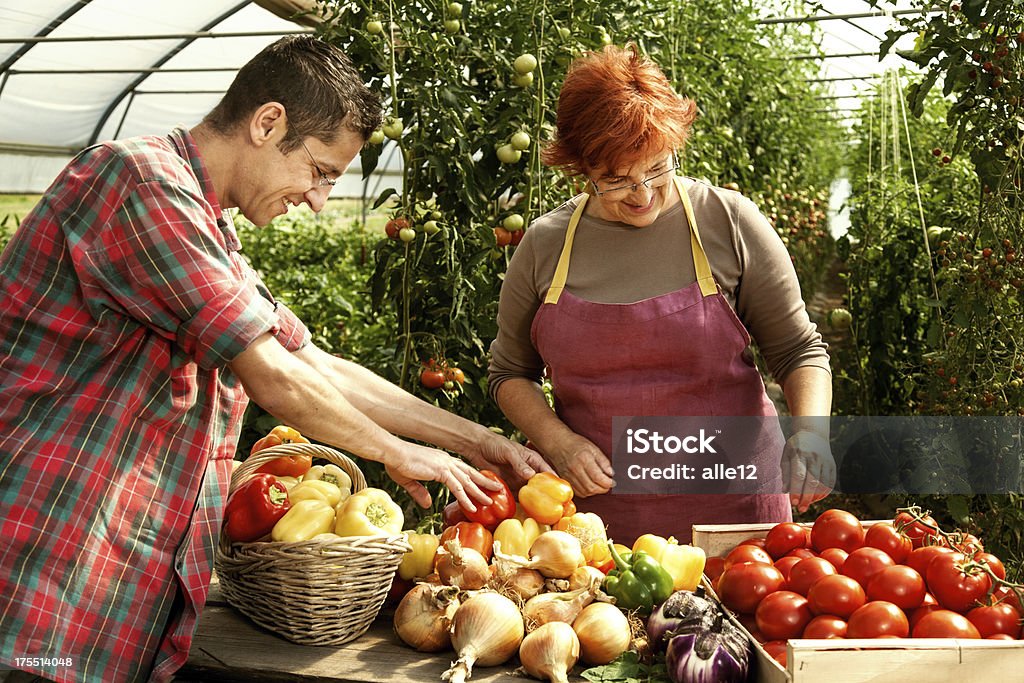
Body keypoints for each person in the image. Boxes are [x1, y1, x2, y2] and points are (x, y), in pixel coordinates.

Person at [0, 35, 548, 683]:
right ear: (268, 123)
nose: (317, 200)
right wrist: (395, 450)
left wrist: (479, 441)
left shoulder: (211, 226)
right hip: (45, 571)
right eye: (320, 172)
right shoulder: (139, 182)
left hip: (101, 580)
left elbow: (312, 360)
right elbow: (272, 374)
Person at [488, 44, 836, 548]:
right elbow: (508, 374)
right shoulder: (545, 245)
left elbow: (798, 349)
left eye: (656, 168)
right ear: (580, 168)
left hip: (733, 507)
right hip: (594, 521)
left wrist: (812, 432)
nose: (643, 193)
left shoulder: (729, 222)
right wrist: (558, 442)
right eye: (615, 179)